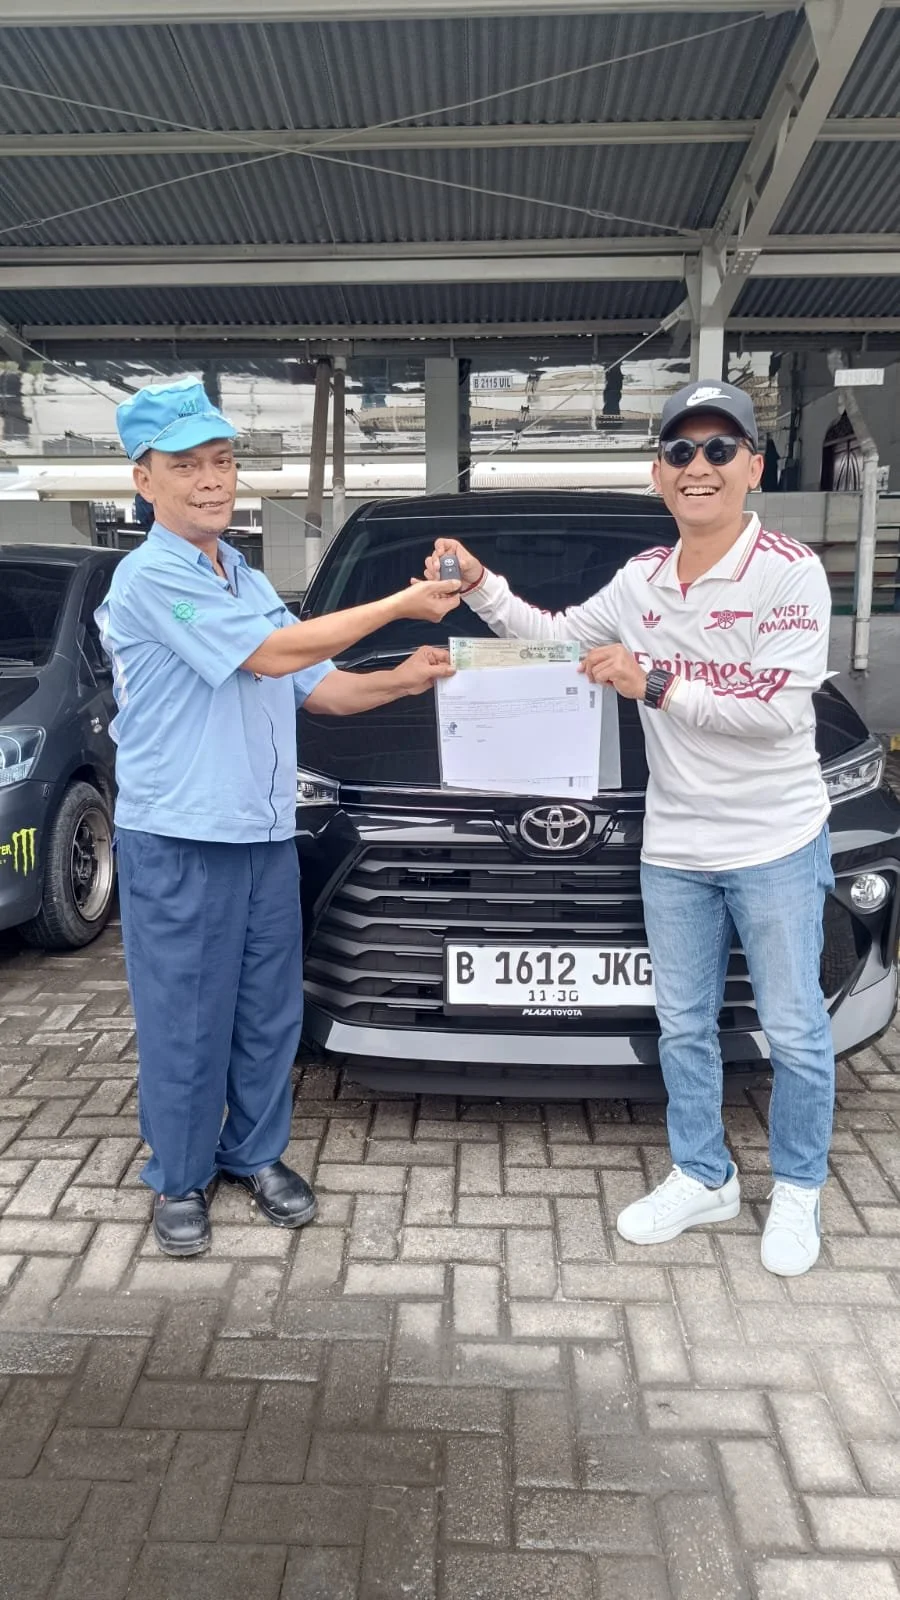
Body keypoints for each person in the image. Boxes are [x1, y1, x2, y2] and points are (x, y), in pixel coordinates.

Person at [426, 380, 834, 1277]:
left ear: (754, 466)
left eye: (720, 449)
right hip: (676, 845)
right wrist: (482, 586)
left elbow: (775, 707)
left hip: (773, 840)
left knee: (796, 1029)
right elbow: (555, 636)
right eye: (681, 451)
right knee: (683, 1027)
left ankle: (800, 1186)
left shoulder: (789, 569)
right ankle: (705, 1175)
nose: (699, 466)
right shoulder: (642, 578)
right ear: (658, 473)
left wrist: (652, 682)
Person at [100, 376, 460, 1256]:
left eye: (222, 461)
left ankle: (254, 1154)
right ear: (145, 480)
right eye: (187, 465)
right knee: (188, 1018)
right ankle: (179, 1177)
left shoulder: (244, 574)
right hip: (182, 837)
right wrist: (396, 604)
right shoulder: (149, 577)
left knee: (268, 1013)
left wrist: (403, 679)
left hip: (263, 833)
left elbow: (317, 688)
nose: (211, 480)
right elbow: (268, 654)